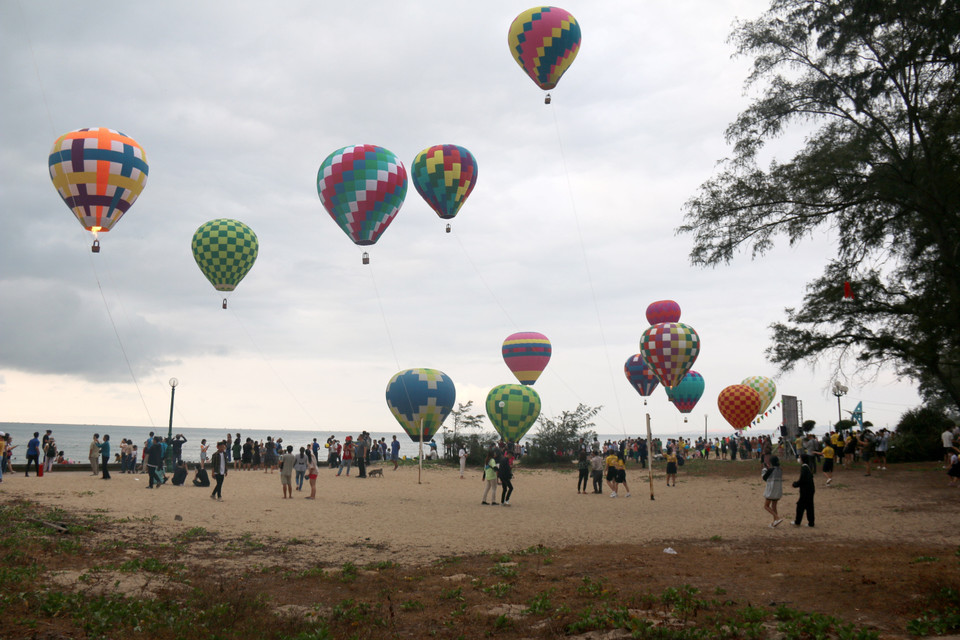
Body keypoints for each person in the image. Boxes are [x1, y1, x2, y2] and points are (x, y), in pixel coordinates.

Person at [792, 454, 815, 527]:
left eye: (799, 458)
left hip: (806, 490)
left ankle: (797, 521)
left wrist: (795, 484)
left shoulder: (804, 468)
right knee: (809, 506)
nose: (799, 459)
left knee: (800, 506)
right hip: (810, 489)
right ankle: (811, 522)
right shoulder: (808, 466)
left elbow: (802, 479)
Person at [762, 456, 783, 527]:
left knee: (766, 506)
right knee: (774, 506)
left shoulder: (771, 470)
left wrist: (764, 469)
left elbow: (764, 477)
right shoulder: (780, 470)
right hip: (778, 490)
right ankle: (775, 522)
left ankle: (777, 517)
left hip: (771, 490)